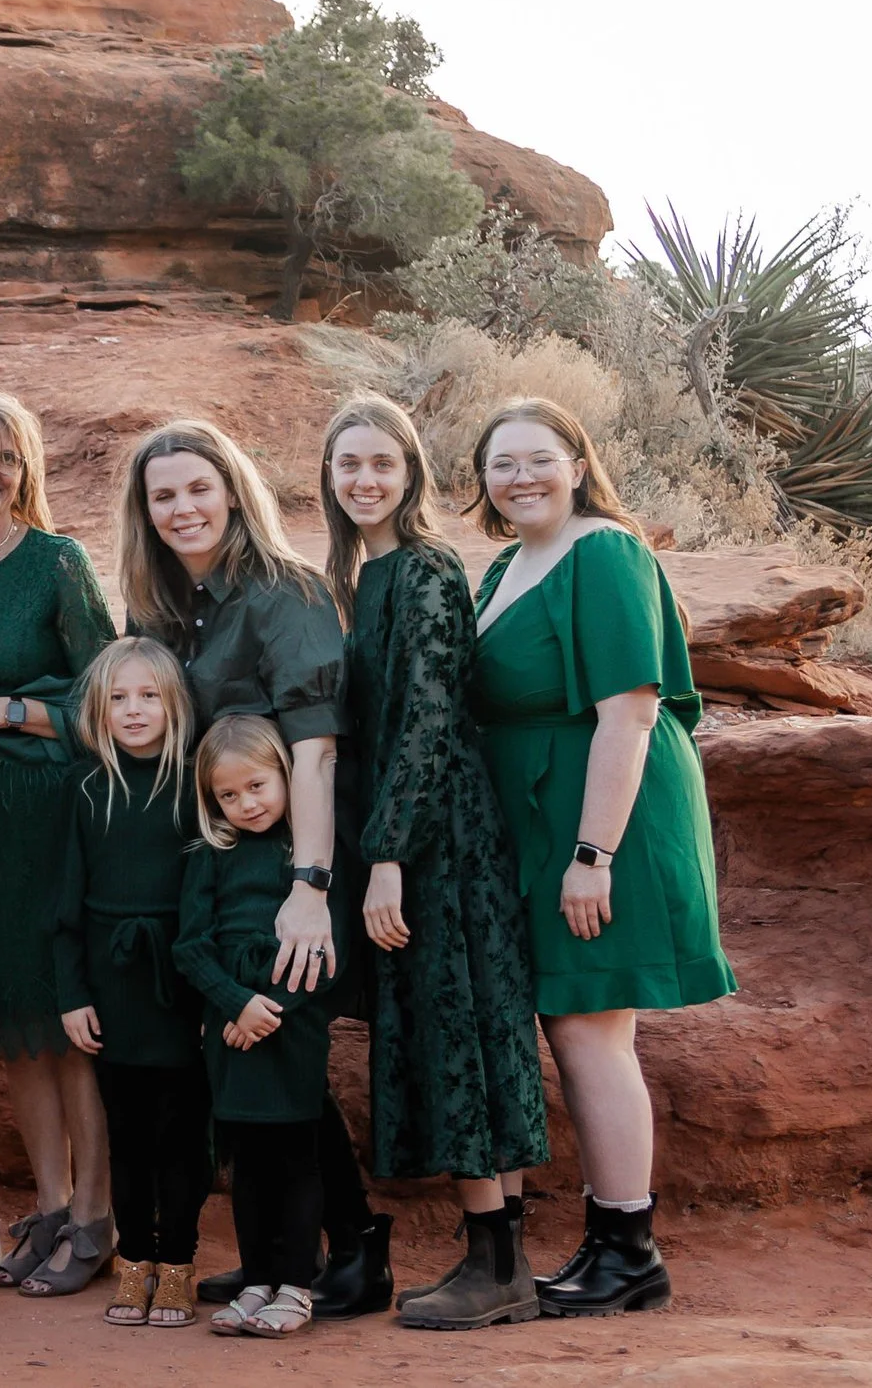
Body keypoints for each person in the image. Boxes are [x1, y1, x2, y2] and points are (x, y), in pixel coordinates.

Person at [468, 397, 736, 1317]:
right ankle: (609, 1241)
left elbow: (630, 708)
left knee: (591, 1027)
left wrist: (595, 854)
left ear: (577, 463)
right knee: (572, 1024)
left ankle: (630, 1252)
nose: (521, 477)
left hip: (601, 818)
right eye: (501, 464)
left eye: (539, 458)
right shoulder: (509, 561)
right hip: (543, 820)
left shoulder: (607, 551)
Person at [117, 419, 390, 1317]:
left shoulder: (285, 593)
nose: (183, 507)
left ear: (233, 489)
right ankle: (285, 1248)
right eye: (164, 495)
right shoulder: (157, 607)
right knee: (245, 1053)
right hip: (216, 865)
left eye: (199, 487)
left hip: (293, 862)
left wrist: (311, 889)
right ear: (146, 511)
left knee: (287, 1045)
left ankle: (352, 1245)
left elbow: (314, 754)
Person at [321, 395, 547, 1329]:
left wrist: (386, 859)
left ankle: (496, 1266)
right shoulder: (365, 575)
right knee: (456, 1023)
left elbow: (428, 718)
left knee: (465, 1026)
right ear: (329, 479)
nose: (366, 479)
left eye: (383, 463)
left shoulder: (423, 569)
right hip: (414, 831)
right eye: (348, 465)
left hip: (441, 839)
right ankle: (502, 1262)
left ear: (412, 473)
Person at [0, 388, 117, 1298]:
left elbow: (113, 696)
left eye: (4, 456)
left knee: (66, 1022)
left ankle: (96, 1212)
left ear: (26, 470)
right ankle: (49, 1203)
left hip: (48, 810)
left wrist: (9, 709)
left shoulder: (55, 562)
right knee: (16, 1027)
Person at [52, 637, 207, 1331]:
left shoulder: (197, 784)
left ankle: (176, 1263)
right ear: (98, 708)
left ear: (175, 703)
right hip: (112, 987)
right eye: (119, 697)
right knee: (129, 1134)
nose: (134, 709)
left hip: (181, 982)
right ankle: (133, 1260)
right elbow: (63, 908)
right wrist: (71, 992)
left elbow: (213, 893)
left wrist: (211, 992)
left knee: (181, 1133)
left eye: (149, 695)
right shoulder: (85, 789)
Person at [175, 716, 338, 1341]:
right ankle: (256, 1283)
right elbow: (191, 945)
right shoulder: (210, 857)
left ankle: (296, 1285)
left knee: (295, 1160)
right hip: (229, 1031)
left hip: (290, 1029)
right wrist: (233, 1004)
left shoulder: (311, 857)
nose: (247, 803)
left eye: (257, 786)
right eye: (229, 795)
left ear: (286, 778)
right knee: (246, 1165)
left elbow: (327, 952)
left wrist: (266, 1008)